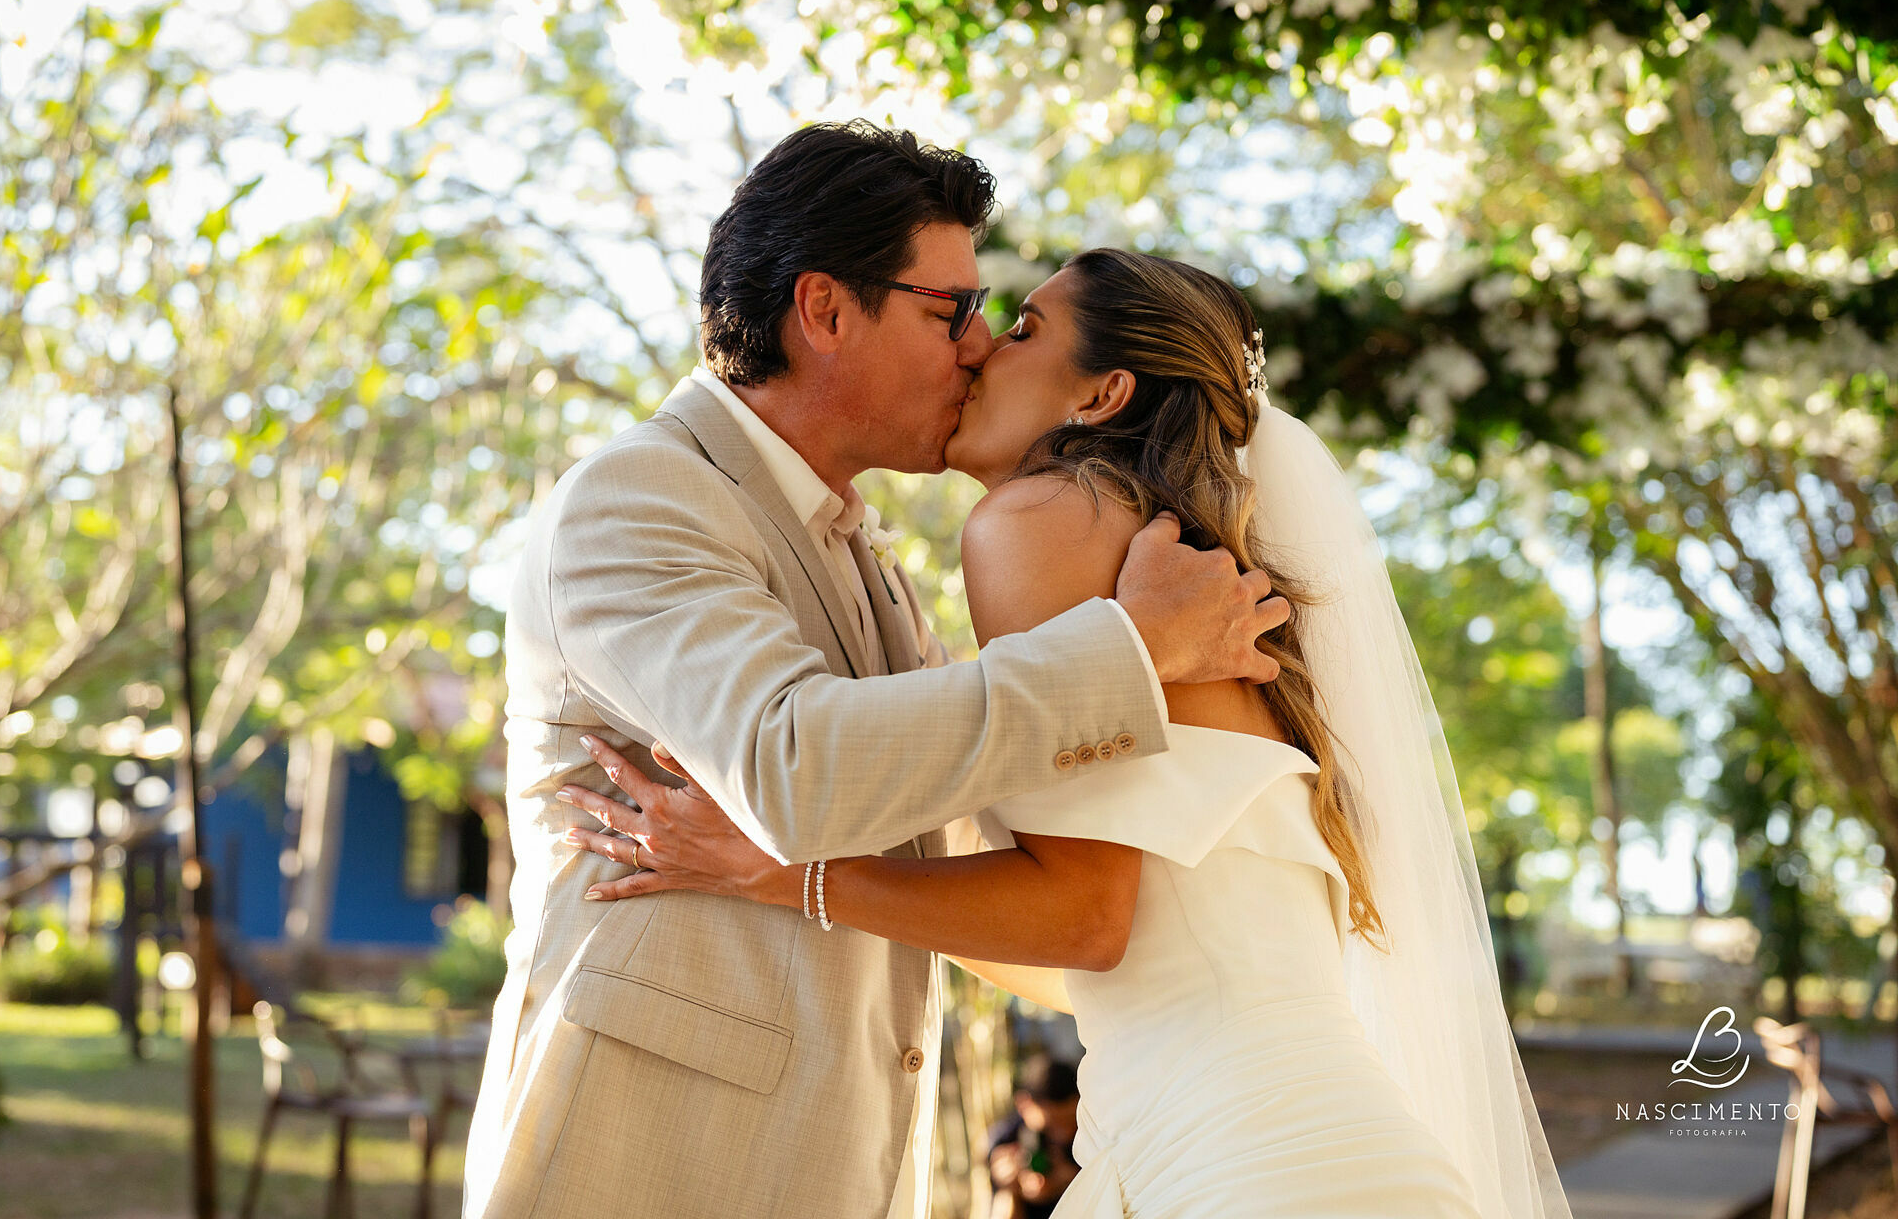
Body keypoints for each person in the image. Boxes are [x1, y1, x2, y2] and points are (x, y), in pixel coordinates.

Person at [563, 249, 1575, 1217]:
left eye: (1021, 327)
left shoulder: (1038, 521)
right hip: (1330, 1145)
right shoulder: (1187, 563)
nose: (978, 348)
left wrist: (782, 871)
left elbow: (1085, 918)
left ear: (1098, 396)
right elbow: (1104, 950)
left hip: (1230, 1166)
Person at [461, 126, 1291, 1219]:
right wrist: (1134, 651)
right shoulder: (639, 497)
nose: (980, 342)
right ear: (827, 310)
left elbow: (979, 854)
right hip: (649, 1159)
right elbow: (793, 769)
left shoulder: (868, 561)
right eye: (950, 308)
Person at [987, 1055, 1081, 1219]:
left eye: (1071, 1121)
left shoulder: (1094, 1131)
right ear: (1024, 1105)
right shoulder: (1006, 1140)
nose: (1064, 1134)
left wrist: (1072, 1180)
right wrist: (1009, 1186)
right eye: (1054, 1124)